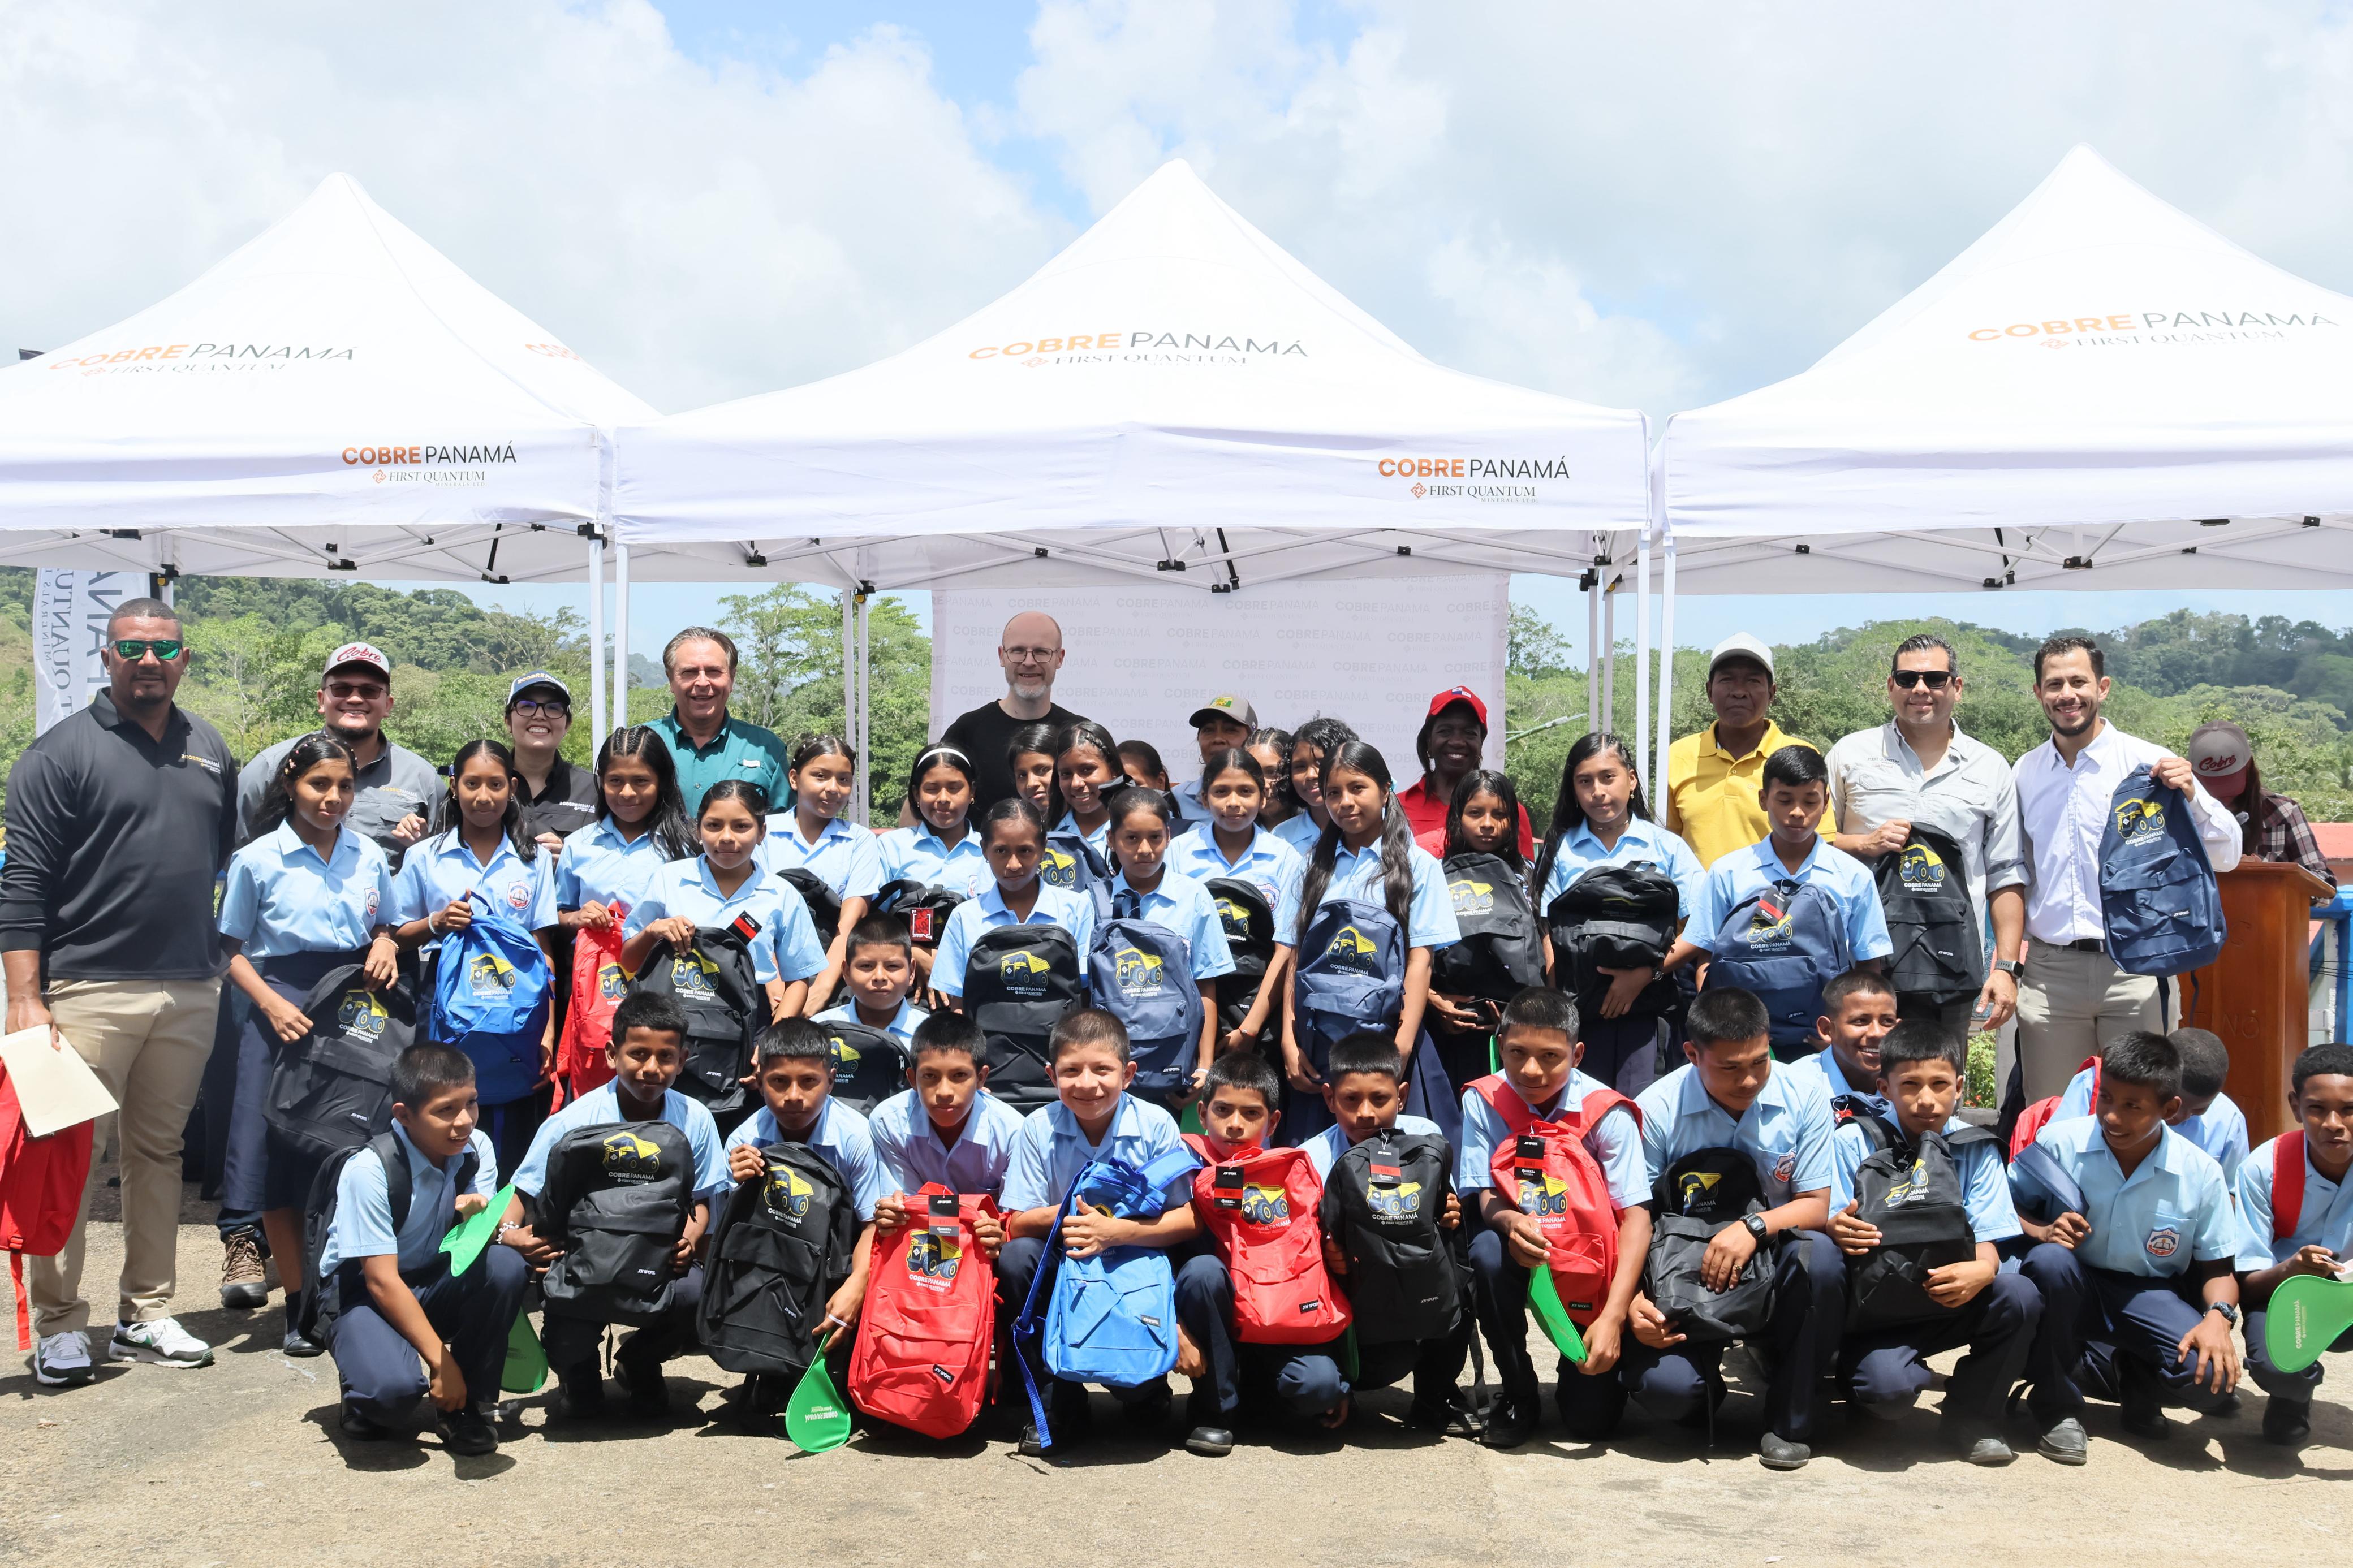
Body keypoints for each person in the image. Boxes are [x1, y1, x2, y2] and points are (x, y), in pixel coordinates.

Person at [4, 597, 238, 1386]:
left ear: (184, 659)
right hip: (85, 986)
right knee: (69, 1158)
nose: (148, 661)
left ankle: (146, 1312)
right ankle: (61, 1326)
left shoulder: (209, 747)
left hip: (188, 988)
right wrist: (25, 998)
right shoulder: (59, 754)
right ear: (106, 656)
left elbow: (222, 861)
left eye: (163, 649)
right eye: (132, 647)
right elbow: (23, 885)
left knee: (158, 1154)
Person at [216, 732, 400, 1354]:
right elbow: (228, 950)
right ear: (292, 784)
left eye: (345, 786)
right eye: (320, 784)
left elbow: (386, 923)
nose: (333, 797)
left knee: (348, 1152)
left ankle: (346, 1296)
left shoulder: (368, 854)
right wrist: (270, 1004)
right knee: (277, 1159)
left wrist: (385, 941)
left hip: (350, 1013)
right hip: (280, 1012)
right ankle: (298, 1307)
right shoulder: (256, 859)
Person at [2011, 636, 2240, 1100]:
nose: (2067, 694)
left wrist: (2192, 795)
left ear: (2103, 687)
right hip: (2050, 973)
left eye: (2079, 681)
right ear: (2038, 693)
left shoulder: (2149, 763)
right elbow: (2016, 870)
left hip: (2136, 967)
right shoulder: (2024, 772)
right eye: (2054, 684)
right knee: (2053, 1115)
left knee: (2142, 1108)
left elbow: (2226, 852)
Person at [1628, 987, 1843, 1471]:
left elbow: (1815, 1205)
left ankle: (1789, 1419)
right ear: (1692, 1054)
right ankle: (1703, 1386)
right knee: (1669, 1393)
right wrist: (1633, 1300)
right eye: (1729, 1067)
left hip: (1770, 1252)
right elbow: (1635, 1216)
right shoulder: (1656, 1109)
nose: (1748, 1080)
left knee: (1822, 1259)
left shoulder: (1806, 1093)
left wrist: (1753, 1228)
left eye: (1760, 1062)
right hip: (1682, 1267)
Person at [2010, 1030, 2242, 1462]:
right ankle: (2057, 1405)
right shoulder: (2059, 1142)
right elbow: (2005, 1208)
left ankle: (2134, 1374)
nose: (2113, 1116)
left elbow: (2219, 1268)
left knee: (2210, 1378)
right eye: (2107, 1099)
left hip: (2148, 1292)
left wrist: (2218, 1317)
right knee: (2049, 1261)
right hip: (2072, 1282)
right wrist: (2042, 1230)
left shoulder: (2201, 1173)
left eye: (2133, 1106)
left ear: (2170, 1109)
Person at [498, 991, 729, 1418]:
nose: (651, 1068)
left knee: (698, 1294)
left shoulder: (695, 1118)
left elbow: (701, 1203)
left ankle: (638, 1361)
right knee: (578, 1389)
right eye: (638, 1053)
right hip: (583, 1263)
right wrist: (511, 1237)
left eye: (666, 1056)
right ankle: (579, 1373)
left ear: (683, 1060)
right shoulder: (573, 1121)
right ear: (611, 1053)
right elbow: (519, 1196)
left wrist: (689, 1238)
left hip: (655, 1262)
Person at [1826, 1019, 2038, 1466]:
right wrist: (1835, 1226)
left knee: (2018, 1293)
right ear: (1884, 1087)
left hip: (1947, 1299)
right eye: (1910, 1085)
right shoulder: (1852, 1141)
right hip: (1875, 1311)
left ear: (1959, 1087)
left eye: (1940, 1084)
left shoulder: (1976, 1147)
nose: (1926, 1099)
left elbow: (1988, 1234)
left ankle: (1973, 1415)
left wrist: (1984, 1267)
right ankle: (1859, 1377)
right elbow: (1830, 1217)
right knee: (1888, 1394)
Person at [995, 1009, 1202, 1455]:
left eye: (1102, 1069)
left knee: (1138, 1401)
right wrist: (1075, 1214)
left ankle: (1147, 1386)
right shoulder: (1037, 1127)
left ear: (1128, 1074)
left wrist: (1114, 1230)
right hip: (1066, 1254)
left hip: (1135, 1257)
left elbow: (1188, 1218)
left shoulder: (1156, 1124)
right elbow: (1016, 1223)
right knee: (1017, 1258)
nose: (1087, 1084)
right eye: (1071, 1070)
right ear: (1052, 1075)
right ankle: (1059, 1400)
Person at [1463, 988, 1652, 1449]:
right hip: (1521, 1246)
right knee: (1485, 1252)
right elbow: (1484, 1195)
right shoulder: (1483, 1099)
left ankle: (1591, 1350)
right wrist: (1510, 1222)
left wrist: (1614, 1317)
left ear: (1577, 1053)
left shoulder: (1608, 1111)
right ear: (1500, 1045)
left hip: (1591, 1262)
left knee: (1590, 1422)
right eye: (1517, 1053)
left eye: (1550, 1056)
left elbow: (1636, 1218)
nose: (1532, 1070)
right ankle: (1519, 1389)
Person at [317, 1043, 523, 1457]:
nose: (464, 1121)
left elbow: (482, 1232)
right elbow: (380, 1280)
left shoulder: (475, 1147)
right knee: (389, 1397)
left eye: (471, 1102)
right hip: (365, 1294)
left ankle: (467, 1407)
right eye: (445, 1110)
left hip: (432, 1278)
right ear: (404, 1115)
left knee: (506, 1265)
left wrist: (491, 1223)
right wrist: (441, 1363)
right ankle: (364, 1386)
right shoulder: (369, 1170)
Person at [1825, 633, 2028, 1039]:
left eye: (1935, 678)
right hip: (1860, 961)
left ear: (1957, 687)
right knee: (1857, 1076)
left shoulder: (1990, 768)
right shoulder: (1850, 754)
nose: (1920, 689)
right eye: (1907, 679)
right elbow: (1813, 845)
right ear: (1891, 686)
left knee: (1938, 1077)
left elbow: (2005, 873)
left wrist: (2006, 969)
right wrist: (1864, 843)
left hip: (1950, 967)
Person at [385, 740, 562, 1175]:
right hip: (444, 1002)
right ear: (454, 785)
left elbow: (542, 947)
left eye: (496, 784)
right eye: (472, 784)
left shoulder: (534, 860)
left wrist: (548, 1030)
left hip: (517, 1011)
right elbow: (394, 936)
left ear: (513, 787)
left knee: (510, 1117)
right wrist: (437, 922)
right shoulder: (424, 856)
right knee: (444, 1106)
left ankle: (500, 1214)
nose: (484, 796)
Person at [1274, 741, 1462, 1145]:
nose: (1345, 802)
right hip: (1319, 1048)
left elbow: (1421, 963)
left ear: (1386, 789)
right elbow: (1295, 958)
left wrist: (1399, 1053)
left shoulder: (1419, 866)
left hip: (1389, 1042)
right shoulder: (1309, 866)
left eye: (1358, 788)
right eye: (1334, 792)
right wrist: (1290, 1042)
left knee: (1396, 1166)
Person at [1300, 1029, 1479, 1437]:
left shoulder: (1426, 1135)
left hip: (1414, 1279)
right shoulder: (1311, 1158)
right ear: (1329, 1098)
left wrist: (1448, 1212)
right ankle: (1339, 1378)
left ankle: (1436, 1395)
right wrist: (1327, 1250)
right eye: (1350, 1100)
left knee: (1462, 1261)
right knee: (1379, 1362)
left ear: (1401, 1096)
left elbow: (1444, 1206)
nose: (1366, 1113)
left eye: (1380, 1099)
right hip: (1353, 1292)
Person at [1663, 745, 1891, 1060]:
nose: (1797, 812)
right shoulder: (1729, 872)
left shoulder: (1853, 876)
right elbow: (1708, 955)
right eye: (1784, 800)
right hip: (1742, 1043)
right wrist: (1721, 1031)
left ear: (1826, 802)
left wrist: (1843, 1036)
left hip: (1824, 1041)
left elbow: (1869, 965)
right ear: (1763, 800)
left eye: (1810, 801)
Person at [1173, 1049, 1347, 1454]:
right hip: (1213, 1322)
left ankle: (1259, 1392)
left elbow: (1316, 1268)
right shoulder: (1181, 1165)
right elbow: (1158, 1256)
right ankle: (1214, 1409)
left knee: (1320, 1387)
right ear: (1203, 1113)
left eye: (1251, 1114)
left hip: (1281, 1319)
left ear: (1273, 1122)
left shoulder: (1292, 1171)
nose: (1235, 1124)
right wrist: (1173, 1326)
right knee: (1202, 1271)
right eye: (1223, 1110)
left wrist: (1341, 1379)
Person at [1531, 732, 1706, 1094]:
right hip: (1579, 1014)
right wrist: (1558, 1008)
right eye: (1585, 781)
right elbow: (1547, 929)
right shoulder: (1560, 849)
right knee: (1584, 1108)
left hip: (1649, 1012)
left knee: (1640, 1107)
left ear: (1632, 780)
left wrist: (1645, 975)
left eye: (1608, 777)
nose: (1598, 791)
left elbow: (1702, 928)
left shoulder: (1667, 847)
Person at [722, 1019, 884, 1375]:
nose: (794, 1095)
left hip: (840, 1262)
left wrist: (857, 1285)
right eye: (779, 1082)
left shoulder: (857, 1137)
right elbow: (732, 1237)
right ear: (759, 1080)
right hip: (775, 1261)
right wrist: (741, 1189)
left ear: (831, 1079)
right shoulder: (744, 1140)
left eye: (809, 1081)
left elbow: (873, 1225)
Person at [622, 780, 829, 1026]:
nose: (727, 837)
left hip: (750, 1025)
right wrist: (652, 931)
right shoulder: (668, 879)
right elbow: (629, 961)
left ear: (761, 833)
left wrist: (773, 1039)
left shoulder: (782, 894)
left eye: (741, 826)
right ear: (698, 831)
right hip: (671, 1022)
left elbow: (798, 979)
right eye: (714, 825)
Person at [2233, 1042, 2353, 1449]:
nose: (2334, 1124)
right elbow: (2248, 1285)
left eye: (2349, 1110)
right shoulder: (2263, 1168)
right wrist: (2293, 1268)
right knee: (2278, 1368)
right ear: (2296, 1106)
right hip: (2285, 1296)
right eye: (2318, 1108)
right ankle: (2293, 1395)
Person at [234, 642, 438, 856]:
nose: (355, 699)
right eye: (341, 689)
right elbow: (236, 852)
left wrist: (421, 847)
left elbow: (441, 859)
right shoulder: (270, 767)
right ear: (322, 700)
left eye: (370, 691)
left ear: (388, 705)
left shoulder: (423, 779)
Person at [1101, 788, 1235, 1109]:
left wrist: (1204, 1065)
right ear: (1111, 840)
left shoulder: (1193, 896)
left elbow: (1205, 984)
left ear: (1169, 836)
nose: (1145, 850)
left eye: (1155, 838)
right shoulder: (1094, 900)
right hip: (1109, 1064)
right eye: (1131, 838)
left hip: (1175, 1060)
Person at [1165, 748, 1304, 1053]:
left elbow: (1286, 948)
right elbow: (1169, 940)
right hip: (1191, 1004)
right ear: (1204, 799)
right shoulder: (1179, 852)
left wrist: (1249, 1029)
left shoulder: (1284, 857)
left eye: (1245, 791)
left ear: (1263, 798)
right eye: (1221, 792)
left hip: (1259, 1011)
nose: (1233, 802)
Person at [1661, 635, 1840, 872]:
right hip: (1697, 896)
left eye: (1753, 681)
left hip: (1775, 895)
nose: (1739, 692)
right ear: (1709, 691)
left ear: (1772, 693)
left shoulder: (1800, 756)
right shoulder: (1677, 755)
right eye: (1727, 680)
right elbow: (1668, 844)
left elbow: (1821, 846)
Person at [1422, 769, 1535, 1093]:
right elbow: (1413, 951)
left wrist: (1528, 1016)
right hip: (1448, 1028)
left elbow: (1545, 946)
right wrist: (1434, 1001)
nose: (1488, 824)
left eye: (1499, 814)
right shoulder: (1433, 875)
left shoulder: (1529, 875)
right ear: (1457, 817)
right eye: (1475, 813)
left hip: (1517, 1034)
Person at [763, 733, 882, 1010]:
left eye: (843, 779)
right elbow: (755, 912)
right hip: (767, 971)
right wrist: (775, 985)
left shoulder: (860, 841)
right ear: (794, 779)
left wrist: (823, 988)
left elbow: (850, 922)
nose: (833, 788)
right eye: (820, 776)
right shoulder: (763, 833)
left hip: (831, 973)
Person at [2045, 1026, 2251, 1183]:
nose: (2180, 1116)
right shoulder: (2095, 1085)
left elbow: (2234, 1194)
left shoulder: (2228, 1120)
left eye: (2198, 1111)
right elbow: (2052, 1159)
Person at [935, 612, 1089, 814]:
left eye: (1042, 652)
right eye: (1018, 651)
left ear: (1059, 658)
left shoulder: (1080, 734)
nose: (1029, 662)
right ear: (1002, 656)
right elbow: (928, 799)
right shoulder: (967, 731)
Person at [866, 1010, 1026, 1201]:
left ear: (980, 1078)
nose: (944, 1092)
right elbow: (907, 1205)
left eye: (959, 1075)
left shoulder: (1012, 1133)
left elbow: (1014, 1214)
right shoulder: (889, 1123)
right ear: (913, 1080)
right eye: (930, 1076)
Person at [647, 627, 792, 813]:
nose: (702, 683)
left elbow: (784, 825)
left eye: (714, 671)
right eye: (689, 672)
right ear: (671, 680)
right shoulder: (642, 743)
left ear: (732, 678)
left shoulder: (766, 748)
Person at [2188, 719, 2336, 893]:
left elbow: (2325, 886)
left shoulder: (2283, 811)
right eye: (2213, 785)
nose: (2224, 796)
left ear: (2249, 766)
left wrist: (2265, 873)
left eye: (2229, 782)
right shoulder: (2180, 814)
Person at [1396, 688, 1533, 858]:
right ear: (1429, 742)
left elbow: (1522, 872)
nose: (1457, 742)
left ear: (1481, 744)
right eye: (1445, 731)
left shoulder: (1510, 811)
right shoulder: (1396, 809)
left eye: (1469, 733)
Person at [878, 744, 990, 901]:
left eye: (954, 788)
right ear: (916, 794)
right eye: (932, 789)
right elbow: (877, 910)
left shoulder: (992, 850)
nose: (943, 799)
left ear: (972, 791)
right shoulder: (890, 847)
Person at [1789, 969, 1899, 1118]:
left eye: (1887, 1022)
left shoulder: (1914, 1082)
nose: (1877, 1033)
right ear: (1827, 1030)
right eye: (1860, 1021)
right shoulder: (1795, 1087)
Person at [504, 672, 596, 852]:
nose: (539, 715)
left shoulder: (595, 791)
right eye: (527, 706)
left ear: (567, 724)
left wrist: (570, 858)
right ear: (508, 721)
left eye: (554, 708)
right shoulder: (482, 785)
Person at [813, 915, 930, 1044]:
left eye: (892, 966)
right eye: (866, 966)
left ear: (911, 972)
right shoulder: (820, 1032)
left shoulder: (932, 1036)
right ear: (847, 972)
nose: (879, 977)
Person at [1273, 716, 1358, 857]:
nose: (1311, 775)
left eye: (1321, 763)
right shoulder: (1281, 837)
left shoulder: (1372, 832)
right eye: (1300, 767)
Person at [1050, 720, 1127, 869]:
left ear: (1114, 770)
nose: (1076, 784)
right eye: (1066, 774)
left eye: (1087, 770)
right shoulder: (1049, 832)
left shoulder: (1134, 830)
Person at [1174, 695, 1256, 821]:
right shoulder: (1176, 799)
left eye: (1230, 730)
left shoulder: (1268, 800)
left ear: (1252, 740)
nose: (1218, 739)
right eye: (1209, 730)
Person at [1244, 728, 1298, 834]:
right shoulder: (1233, 835)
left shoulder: (1319, 830)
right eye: (1253, 774)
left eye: (1274, 772)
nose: (1264, 785)